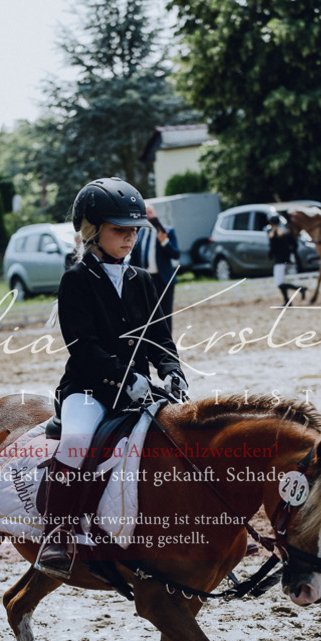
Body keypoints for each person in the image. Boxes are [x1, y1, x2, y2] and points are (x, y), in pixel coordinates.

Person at [36, 176, 188, 579]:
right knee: (76, 441)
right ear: (92, 231)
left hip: (139, 389)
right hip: (89, 389)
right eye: (119, 230)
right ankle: (58, 533)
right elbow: (83, 347)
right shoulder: (76, 281)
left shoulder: (145, 279)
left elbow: (160, 337)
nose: (129, 238)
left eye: (134, 231)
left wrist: (172, 373)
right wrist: (126, 379)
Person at [129, 203, 180, 331]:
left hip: (163, 280)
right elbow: (134, 259)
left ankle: (167, 347)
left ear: (155, 214)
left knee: (165, 314)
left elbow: (175, 254)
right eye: (145, 213)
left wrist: (164, 241)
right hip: (144, 280)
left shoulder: (167, 231)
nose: (148, 216)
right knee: (147, 314)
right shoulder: (138, 234)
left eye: (150, 212)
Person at [266, 212, 306, 304]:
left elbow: (273, 249)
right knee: (281, 282)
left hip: (279, 261)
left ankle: (299, 290)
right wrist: (290, 253)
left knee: (279, 283)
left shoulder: (273, 234)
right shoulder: (286, 233)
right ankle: (287, 300)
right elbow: (295, 244)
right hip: (287, 260)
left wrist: (270, 255)